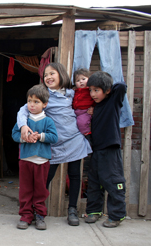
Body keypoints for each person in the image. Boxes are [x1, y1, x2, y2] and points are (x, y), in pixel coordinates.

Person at [17, 63, 92, 226]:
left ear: (62, 75)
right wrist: (23, 125)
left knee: (74, 176)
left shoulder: (72, 94)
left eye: (52, 73)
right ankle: (34, 211)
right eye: (45, 75)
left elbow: (88, 100)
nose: (48, 77)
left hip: (74, 140)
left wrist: (92, 108)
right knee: (44, 178)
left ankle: (72, 209)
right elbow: (23, 111)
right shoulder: (43, 95)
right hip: (53, 143)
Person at [12, 84, 58, 230]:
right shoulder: (23, 121)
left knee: (40, 190)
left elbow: (54, 137)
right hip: (25, 160)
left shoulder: (48, 121)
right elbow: (14, 135)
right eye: (30, 101)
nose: (32, 104)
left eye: (36, 102)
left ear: (45, 104)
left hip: (42, 161)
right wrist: (24, 137)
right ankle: (26, 216)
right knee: (25, 190)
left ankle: (39, 216)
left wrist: (40, 136)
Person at [84, 71, 127, 228]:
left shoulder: (113, 102)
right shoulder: (95, 107)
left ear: (107, 91)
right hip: (96, 150)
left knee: (113, 181)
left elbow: (121, 87)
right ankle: (94, 211)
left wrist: (108, 87)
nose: (92, 94)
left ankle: (117, 215)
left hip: (110, 149)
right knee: (94, 182)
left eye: (96, 90)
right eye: (90, 90)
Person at [72, 68, 95, 141]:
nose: (81, 81)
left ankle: (87, 136)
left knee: (82, 123)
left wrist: (94, 108)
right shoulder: (74, 91)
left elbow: (95, 100)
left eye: (83, 79)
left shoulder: (90, 90)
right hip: (75, 111)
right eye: (78, 80)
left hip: (85, 112)